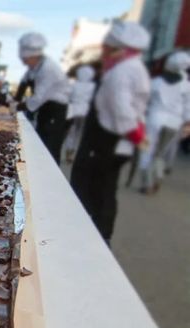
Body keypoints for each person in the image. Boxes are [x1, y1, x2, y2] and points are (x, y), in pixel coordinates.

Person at [70, 21, 151, 245]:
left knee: (95, 188)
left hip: (107, 139)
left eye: (108, 47)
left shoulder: (123, 72)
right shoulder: (130, 68)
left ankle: (96, 238)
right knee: (103, 188)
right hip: (115, 138)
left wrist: (135, 135)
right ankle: (96, 234)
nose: (104, 51)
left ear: (120, 49)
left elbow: (122, 109)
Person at [15, 32, 71, 163]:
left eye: (26, 59)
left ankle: (51, 176)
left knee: (50, 145)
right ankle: (40, 166)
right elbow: (24, 82)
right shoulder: (35, 67)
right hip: (45, 109)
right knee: (41, 141)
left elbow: (38, 97)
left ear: (34, 56)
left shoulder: (48, 68)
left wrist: (17, 106)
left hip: (55, 111)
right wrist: (16, 98)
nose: (24, 62)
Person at [139, 51, 190, 194]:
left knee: (147, 149)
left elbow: (145, 102)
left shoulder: (156, 82)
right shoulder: (186, 86)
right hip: (174, 122)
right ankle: (158, 175)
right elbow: (188, 108)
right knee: (161, 152)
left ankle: (147, 183)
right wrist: (187, 124)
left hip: (154, 119)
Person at [63, 65, 97, 163]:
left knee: (71, 133)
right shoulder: (93, 86)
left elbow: (67, 97)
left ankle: (68, 153)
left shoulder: (73, 85)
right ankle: (77, 154)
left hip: (73, 111)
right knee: (82, 135)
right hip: (86, 111)